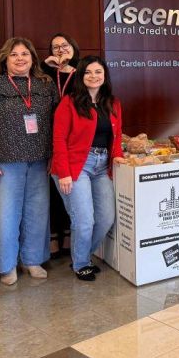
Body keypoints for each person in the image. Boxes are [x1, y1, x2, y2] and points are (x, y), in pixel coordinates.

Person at [0, 37, 59, 285]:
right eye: (14, 54)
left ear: (33, 59)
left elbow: (58, 121)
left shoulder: (45, 84)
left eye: (25, 54)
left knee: (37, 213)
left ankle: (32, 260)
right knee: (5, 215)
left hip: (40, 161)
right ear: (5, 59)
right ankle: (7, 265)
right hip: (5, 162)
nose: (20, 59)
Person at [52, 57, 124, 281]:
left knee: (105, 218)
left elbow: (117, 135)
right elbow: (59, 139)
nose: (94, 76)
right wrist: (64, 172)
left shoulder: (113, 103)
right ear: (81, 77)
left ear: (105, 75)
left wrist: (118, 157)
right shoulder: (69, 102)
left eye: (98, 71)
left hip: (102, 167)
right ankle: (82, 263)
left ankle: (81, 255)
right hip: (75, 167)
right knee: (84, 220)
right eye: (88, 72)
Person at [42, 33, 80, 259]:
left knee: (70, 188)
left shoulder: (83, 70)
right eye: (55, 47)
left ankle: (68, 234)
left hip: (74, 138)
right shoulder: (44, 73)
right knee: (51, 190)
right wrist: (46, 66)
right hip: (48, 136)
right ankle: (52, 236)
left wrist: (71, 69)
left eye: (65, 45)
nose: (60, 50)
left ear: (73, 47)